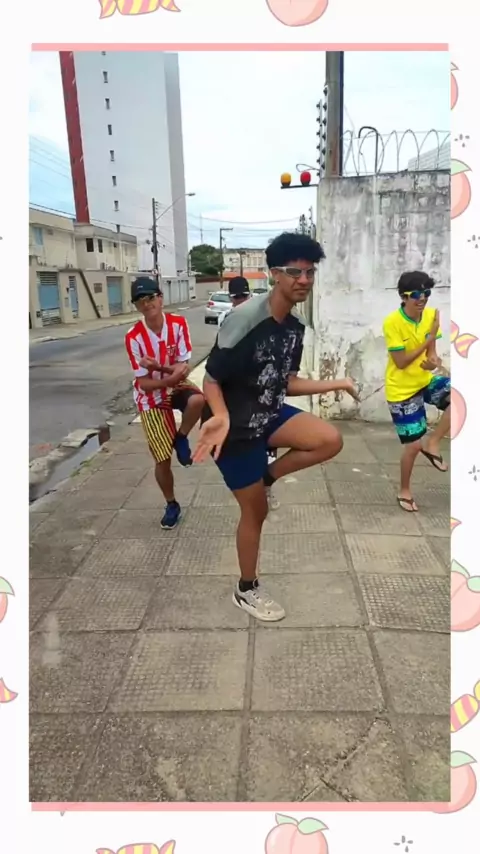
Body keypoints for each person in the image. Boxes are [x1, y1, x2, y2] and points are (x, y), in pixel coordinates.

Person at [193, 232, 359, 622]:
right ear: (274, 274)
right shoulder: (244, 319)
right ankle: (246, 589)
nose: (304, 280)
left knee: (328, 439)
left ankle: (266, 478)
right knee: (256, 513)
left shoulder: (294, 327)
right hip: (233, 430)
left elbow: (286, 383)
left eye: (309, 272)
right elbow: (212, 379)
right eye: (294, 272)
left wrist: (338, 383)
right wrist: (220, 415)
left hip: (268, 414)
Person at [125, 276, 204, 529]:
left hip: (173, 384)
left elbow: (183, 368)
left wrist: (160, 369)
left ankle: (181, 436)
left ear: (160, 298)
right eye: (140, 301)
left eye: (150, 297)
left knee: (198, 400)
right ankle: (171, 503)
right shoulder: (134, 337)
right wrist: (169, 377)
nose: (146, 304)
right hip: (150, 398)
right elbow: (143, 383)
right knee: (162, 458)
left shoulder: (178, 324)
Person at [382, 271, 450, 513]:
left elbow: (432, 353)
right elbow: (400, 362)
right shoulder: (392, 322)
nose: (423, 299)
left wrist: (433, 361)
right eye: (417, 294)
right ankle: (404, 490)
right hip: (401, 390)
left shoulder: (430, 316)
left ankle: (433, 443)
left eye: (427, 293)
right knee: (412, 447)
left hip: (424, 380)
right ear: (403, 296)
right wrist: (428, 339)